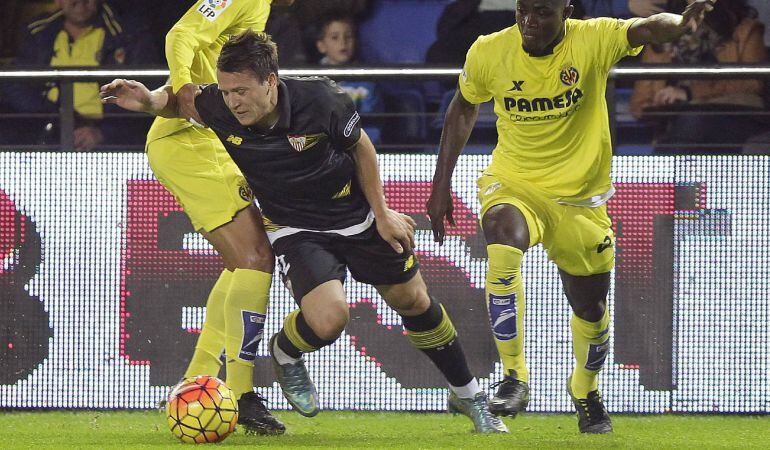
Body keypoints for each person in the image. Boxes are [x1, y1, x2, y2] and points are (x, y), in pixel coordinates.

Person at [100, 30, 508, 434]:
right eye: (226, 92)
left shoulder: (321, 99)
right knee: (330, 319)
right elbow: (183, 101)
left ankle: (468, 395)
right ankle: (286, 351)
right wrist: (150, 101)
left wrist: (382, 213)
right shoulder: (219, 106)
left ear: (271, 81)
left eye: (241, 91)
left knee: (413, 301)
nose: (233, 102)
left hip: (355, 215)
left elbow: (361, 147)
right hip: (295, 227)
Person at [427, 0, 717, 434]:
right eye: (523, 10)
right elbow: (464, 106)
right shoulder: (488, 50)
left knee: (591, 309)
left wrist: (682, 24)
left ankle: (584, 389)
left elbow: (650, 28)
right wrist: (440, 186)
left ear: (567, 10)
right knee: (501, 235)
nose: (529, 21)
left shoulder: (593, 38)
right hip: (515, 182)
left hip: (581, 200)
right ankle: (513, 376)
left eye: (542, 12)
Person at [142, 0, 296, 436]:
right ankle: (242, 395)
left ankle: (196, 383)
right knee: (255, 259)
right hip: (186, 140)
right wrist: (185, 86)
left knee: (244, 264)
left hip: (214, 143)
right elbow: (180, 34)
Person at [0, 0, 157, 149]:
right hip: (47, 133)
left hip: (111, 141)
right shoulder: (38, 32)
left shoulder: (129, 34)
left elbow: (146, 93)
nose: (80, 1)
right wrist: (59, 120)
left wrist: (102, 133)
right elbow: (15, 86)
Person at [630, 0, 767, 153]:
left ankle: (663, 173)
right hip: (675, 120)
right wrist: (658, 103)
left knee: (693, 120)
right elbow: (640, 100)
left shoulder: (745, 28)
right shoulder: (662, 31)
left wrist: (689, 93)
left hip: (733, 115)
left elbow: (752, 83)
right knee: (687, 123)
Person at [315, 12, 383, 141]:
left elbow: (373, 125)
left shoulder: (367, 81)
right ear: (321, 45)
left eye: (349, 36)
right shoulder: (312, 80)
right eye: (335, 37)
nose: (343, 42)